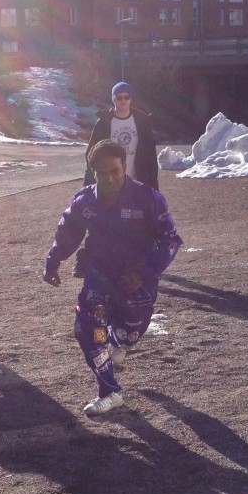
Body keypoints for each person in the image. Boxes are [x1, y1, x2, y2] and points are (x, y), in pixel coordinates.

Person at [43, 139, 181, 416]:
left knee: (128, 333)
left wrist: (144, 273)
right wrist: (53, 261)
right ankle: (110, 390)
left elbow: (170, 240)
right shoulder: (84, 201)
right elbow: (68, 232)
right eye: (102, 173)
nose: (109, 179)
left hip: (137, 283)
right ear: (93, 172)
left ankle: (121, 345)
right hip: (98, 277)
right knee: (88, 331)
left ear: (124, 166)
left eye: (115, 171)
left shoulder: (148, 199)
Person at [84, 82, 159, 190]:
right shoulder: (104, 123)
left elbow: (151, 156)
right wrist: (90, 184)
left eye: (126, 97)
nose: (123, 100)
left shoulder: (142, 123)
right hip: (110, 185)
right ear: (113, 99)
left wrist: (153, 187)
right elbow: (91, 154)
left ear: (131, 99)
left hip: (137, 184)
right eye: (119, 97)